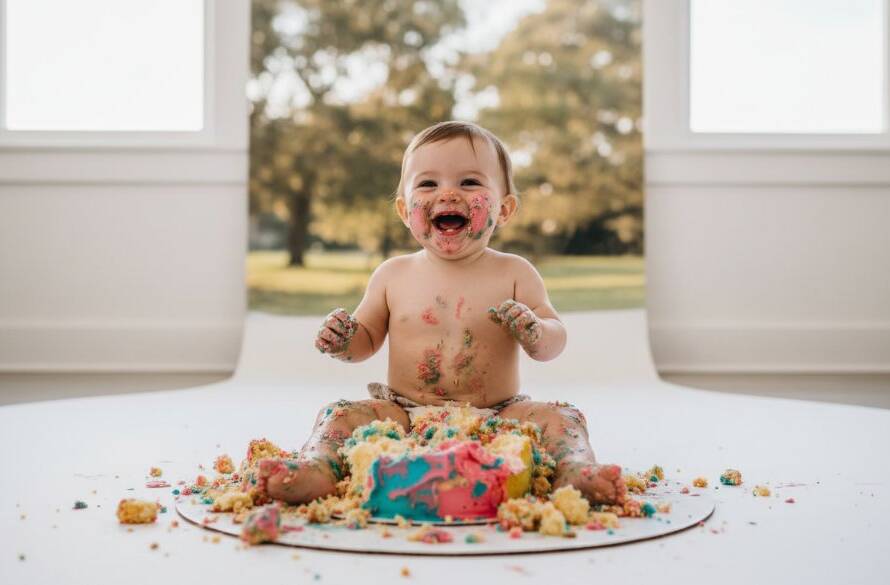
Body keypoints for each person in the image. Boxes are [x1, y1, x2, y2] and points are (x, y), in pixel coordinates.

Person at [256, 121, 626, 507]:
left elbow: (554, 340)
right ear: (404, 209)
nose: (448, 192)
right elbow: (364, 342)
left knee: (563, 419)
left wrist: (536, 331)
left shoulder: (515, 272)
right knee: (338, 415)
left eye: (469, 182)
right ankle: (316, 467)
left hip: (498, 415)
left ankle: (575, 470)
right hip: (401, 415)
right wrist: (343, 340)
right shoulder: (392, 275)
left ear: (505, 208)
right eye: (428, 184)